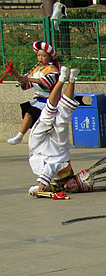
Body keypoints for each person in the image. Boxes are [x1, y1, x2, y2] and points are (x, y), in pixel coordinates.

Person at [26, 65, 80, 194]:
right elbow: (50, 167)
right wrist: (43, 183)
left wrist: (40, 187)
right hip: (58, 149)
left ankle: (63, 79)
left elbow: (35, 187)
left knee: (48, 114)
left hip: (39, 146)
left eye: (74, 188)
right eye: (75, 186)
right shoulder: (65, 169)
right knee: (63, 116)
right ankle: (71, 79)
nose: (72, 187)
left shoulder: (57, 180)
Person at [7, 42, 60, 145]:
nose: (40, 58)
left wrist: (27, 78)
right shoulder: (36, 69)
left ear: (50, 57)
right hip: (38, 99)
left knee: (31, 115)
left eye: (44, 56)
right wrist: (20, 78)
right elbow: (28, 84)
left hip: (48, 100)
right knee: (30, 116)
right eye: (39, 55)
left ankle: (20, 136)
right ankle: (21, 136)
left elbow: (46, 83)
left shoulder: (52, 70)